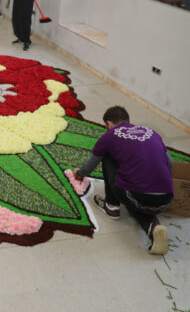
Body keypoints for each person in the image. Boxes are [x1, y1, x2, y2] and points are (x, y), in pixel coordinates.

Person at [74, 106, 174, 255]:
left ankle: (111, 206)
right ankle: (154, 227)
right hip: (165, 200)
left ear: (108, 124)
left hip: (136, 195)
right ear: (128, 121)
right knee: (137, 204)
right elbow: (170, 163)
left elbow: (89, 167)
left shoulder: (110, 136)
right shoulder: (152, 133)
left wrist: (79, 172)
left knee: (108, 157)